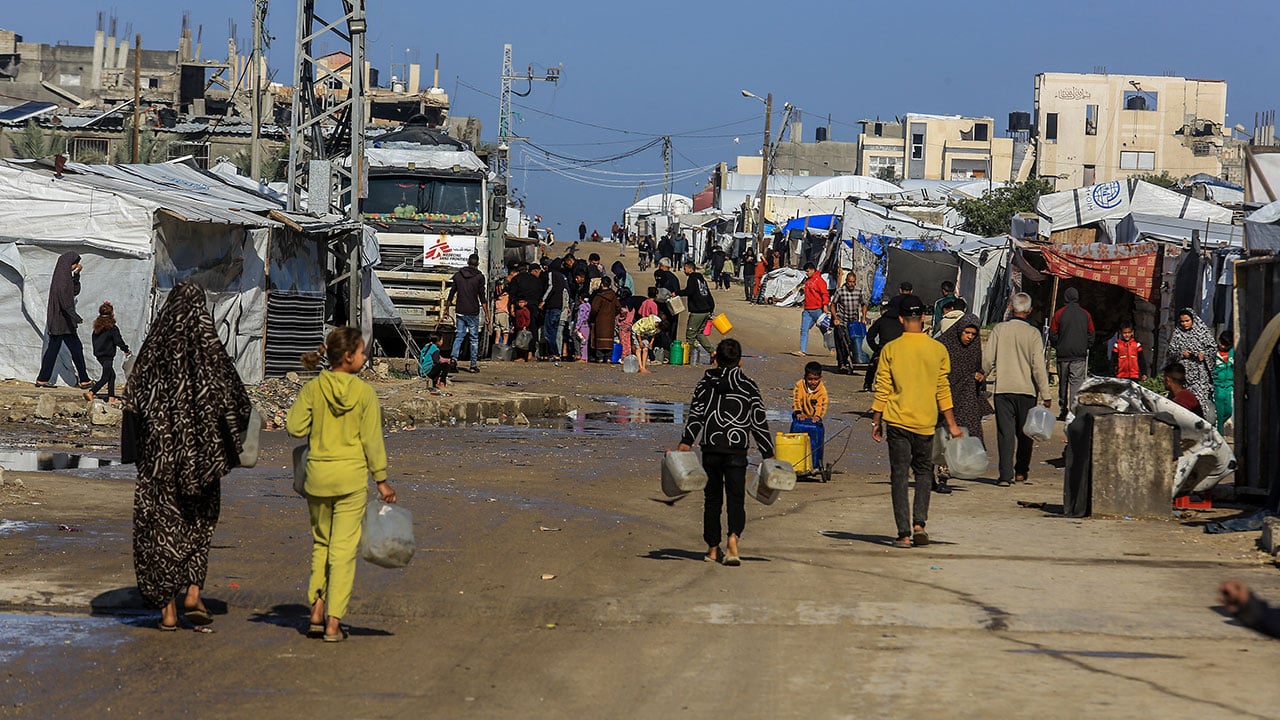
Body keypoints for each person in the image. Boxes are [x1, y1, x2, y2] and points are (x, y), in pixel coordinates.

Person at [123, 281, 253, 631]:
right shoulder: (211, 352)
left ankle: (167, 612)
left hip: (158, 465)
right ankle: (193, 592)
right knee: (199, 526)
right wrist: (227, 445)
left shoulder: (152, 352)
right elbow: (239, 402)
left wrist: (136, 454)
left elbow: (131, 402)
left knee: (161, 532)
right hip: (202, 464)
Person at [287, 327, 395, 643]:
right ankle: (334, 623)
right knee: (343, 551)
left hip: (318, 478)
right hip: (350, 480)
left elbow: (295, 426)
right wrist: (382, 481)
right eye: (362, 352)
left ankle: (316, 612)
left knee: (322, 544)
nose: (365, 357)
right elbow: (372, 441)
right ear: (348, 357)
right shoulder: (364, 393)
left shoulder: (314, 388)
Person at [870, 295, 963, 547]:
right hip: (926, 423)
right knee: (924, 472)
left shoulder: (891, 349)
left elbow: (883, 388)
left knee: (899, 476)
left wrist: (876, 420)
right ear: (923, 318)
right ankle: (920, 523)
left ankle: (903, 533)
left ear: (901, 319)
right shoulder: (938, 350)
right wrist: (952, 424)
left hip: (897, 422)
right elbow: (943, 389)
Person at [676, 338, 774, 566]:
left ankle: (712, 549)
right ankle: (733, 539)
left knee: (712, 500)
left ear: (716, 359)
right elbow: (758, 422)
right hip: (736, 450)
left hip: (711, 448)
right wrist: (768, 453)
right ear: (740, 361)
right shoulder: (749, 386)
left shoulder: (705, 384)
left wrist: (686, 442)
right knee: (735, 499)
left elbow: (696, 415)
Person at [982, 292, 1053, 487]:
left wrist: (982, 374)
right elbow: (1038, 366)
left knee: (1005, 434)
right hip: (1027, 391)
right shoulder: (1033, 334)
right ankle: (1021, 471)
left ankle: (1005, 476)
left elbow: (988, 358)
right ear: (1029, 311)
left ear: (1011, 308)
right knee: (1026, 433)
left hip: (1003, 389)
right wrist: (1046, 394)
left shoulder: (999, 330)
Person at [935, 313, 993, 494]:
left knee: (958, 435)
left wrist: (979, 376)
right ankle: (933, 475)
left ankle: (946, 474)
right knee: (940, 437)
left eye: (973, 334)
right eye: (967, 333)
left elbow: (978, 368)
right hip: (944, 398)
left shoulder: (975, 347)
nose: (970, 337)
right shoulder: (944, 344)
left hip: (965, 398)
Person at [35, 251, 93, 389]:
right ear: (69, 263)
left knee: (61, 349)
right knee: (68, 349)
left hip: (64, 321)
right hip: (62, 321)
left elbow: (74, 291)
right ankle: (83, 379)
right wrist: (75, 316)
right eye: (75, 263)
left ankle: (43, 379)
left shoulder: (64, 277)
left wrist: (77, 275)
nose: (76, 265)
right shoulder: (61, 279)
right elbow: (65, 301)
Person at [1049, 287, 1095, 419]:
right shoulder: (1085, 314)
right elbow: (1091, 333)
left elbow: (1053, 333)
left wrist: (1058, 345)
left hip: (1063, 355)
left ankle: (1063, 410)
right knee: (1076, 384)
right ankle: (1073, 413)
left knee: (1062, 384)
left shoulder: (1059, 314)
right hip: (1079, 356)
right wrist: (1086, 346)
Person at [1167, 308, 1217, 426]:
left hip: (1200, 377)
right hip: (1184, 376)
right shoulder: (1177, 333)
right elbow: (1170, 352)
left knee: (1199, 405)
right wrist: (1181, 354)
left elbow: (1212, 349)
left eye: (1187, 321)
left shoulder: (1203, 332)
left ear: (1193, 320)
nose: (1184, 324)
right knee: (1184, 405)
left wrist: (1203, 355)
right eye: (1182, 321)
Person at [84, 301, 131, 403]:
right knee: (105, 377)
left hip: (99, 355)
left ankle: (111, 397)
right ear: (112, 314)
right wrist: (126, 350)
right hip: (108, 356)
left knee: (111, 375)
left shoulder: (97, 328)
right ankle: (91, 392)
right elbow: (118, 340)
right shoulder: (112, 328)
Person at [447, 253, 486, 373]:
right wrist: (487, 314)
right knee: (473, 339)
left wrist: (446, 309)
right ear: (478, 263)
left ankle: (453, 359)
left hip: (460, 311)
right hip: (473, 311)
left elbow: (452, 293)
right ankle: (473, 365)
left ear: (468, 262)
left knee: (459, 336)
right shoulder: (479, 277)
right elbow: (482, 297)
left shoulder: (458, 276)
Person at [791, 361, 829, 468]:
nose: (813, 382)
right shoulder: (799, 385)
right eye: (810, 379)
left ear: (820, 378)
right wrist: (798, 412)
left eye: (816, 379)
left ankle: (814, 463)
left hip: (813, 418)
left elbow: (821, 405)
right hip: (800, 415)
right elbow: (796, 400)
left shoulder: (822, 390)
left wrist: (817, 416)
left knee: (813, 442)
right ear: (805, 377)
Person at [830, 271, 868, 373]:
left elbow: (864, 304)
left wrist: (863, 317)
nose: (851, 284)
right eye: (849, 282)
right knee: (841, 343)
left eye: (853, 282)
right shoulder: (840, 291)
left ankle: (851, 361)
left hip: (854, 323)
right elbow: (833, 305)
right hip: (842, 322)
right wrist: (835, 317)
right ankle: (841, 363)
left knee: (853, 343)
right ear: (846, 281)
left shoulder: (858, 291)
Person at [680, 260, 716, 364]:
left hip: (698, 311)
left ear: (690, 269)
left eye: (685, 268)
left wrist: (677, 293)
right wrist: (711, 308)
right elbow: (707, 293)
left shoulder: (692, 278)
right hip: (706, 309)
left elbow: (689, 291)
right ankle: (712, 352)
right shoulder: (702, 279)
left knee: (690, 334)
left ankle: (690, 357)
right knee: (699, 334)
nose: (684, 270)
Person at [863, 304, 904, 392]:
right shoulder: (902, 321)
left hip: (883, 349)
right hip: (900, 350)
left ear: (884, 311)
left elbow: (870, 336)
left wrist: (876, 349)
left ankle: (867, 384)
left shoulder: (881, 321)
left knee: (872, 366)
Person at [796, 263, 830, 357]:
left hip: (817, 310)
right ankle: (802, 350)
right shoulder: (808, 280)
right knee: (804, 329)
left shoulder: (819, 281)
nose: (806, 273)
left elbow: (825, 294)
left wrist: (825, 306)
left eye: (807, 271)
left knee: (825, 330)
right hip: (807, 309)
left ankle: (832, 347)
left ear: (812, 270)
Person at [539, 261, 569, 361]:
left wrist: (543, 300)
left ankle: (554, 353)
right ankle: (555, 353)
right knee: (554, 332)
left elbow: (550, 287)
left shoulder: (552, 274)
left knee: (548, 332)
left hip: (552, 307)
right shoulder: (562, 277)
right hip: (559, 307)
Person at [589, 276, 621, 363]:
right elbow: (618, 307)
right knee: (609, 339)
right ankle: (609, 358)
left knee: (599, 339)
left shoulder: (599, 296)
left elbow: (594, 309)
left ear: (602, 284)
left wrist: (592, 317)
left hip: (600, 321)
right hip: (610, 321)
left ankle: (599, 358)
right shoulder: (613, 296)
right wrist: (613, 314)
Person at [1214, 331, 1234, 433]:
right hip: (1218, 387)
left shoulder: (1233, 353)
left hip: (1230, 386)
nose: (1222, 346)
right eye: (1221, 343)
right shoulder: (1213, 353)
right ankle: (1219, 434)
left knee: (1229, 411)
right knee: (1219, 412)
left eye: (1225, 345)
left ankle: (1218, 427)